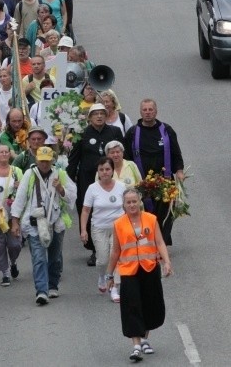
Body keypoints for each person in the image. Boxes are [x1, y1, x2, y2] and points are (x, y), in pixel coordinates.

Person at [105, 188, 172, 362]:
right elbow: (115, 252)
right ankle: (135, 346)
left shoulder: (151, 219)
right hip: (129, 271)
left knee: (150, 304)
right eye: (128, 202)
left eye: (135, 201)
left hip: (149, 268)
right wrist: (109, 275)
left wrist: (166, 262)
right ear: (123, 205)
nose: (132, 205)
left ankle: (144, 340)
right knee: (132, 305)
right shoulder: (118, 224)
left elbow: (159, 242)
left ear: (140, 202)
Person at [10, 146, 76, 305]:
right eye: (41, 161)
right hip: (34, 223)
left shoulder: (60, 174)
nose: (44, 164)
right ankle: (41, 290)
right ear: (37, 160)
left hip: (55, 223)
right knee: (38, 257)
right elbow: (20, 198)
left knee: (55, 257)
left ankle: (53, 285)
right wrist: (15, 221)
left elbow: (72, 197)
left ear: (52, 160)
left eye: (47, 161)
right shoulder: (29, 174)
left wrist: (60, 188)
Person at [68, 103, 124, 266]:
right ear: (89, 117)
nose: (99, 116)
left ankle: (116, 245)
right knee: (88, 211)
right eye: (95, 114)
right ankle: (94, 249)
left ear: (106, 116)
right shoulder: (81, 133)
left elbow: (121, 154)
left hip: (111, 179)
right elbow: (74, 160)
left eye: (102, 113)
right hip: (87, 180)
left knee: (113, 209)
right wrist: (70, 182)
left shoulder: (115, 132)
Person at [123, 99, 185, 246]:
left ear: (156, 111)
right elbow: (127, 158)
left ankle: (161, 241)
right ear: (140, 112)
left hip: (165, 180)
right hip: (143, 182)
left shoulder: (166, 130)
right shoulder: (133, 133)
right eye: (145, 110)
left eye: (151, 109)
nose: (148, 112)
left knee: (166, 213)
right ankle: (149, 242)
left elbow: (176, 153)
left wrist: (180, 171)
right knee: (147, 214)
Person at [81, 157, 126, 302]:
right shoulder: (92, 188)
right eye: (101, 170)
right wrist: (83, 230)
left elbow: (128, 207)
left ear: (112, 170)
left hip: (118, 229)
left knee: (116, 258)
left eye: (107, 169)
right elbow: (86, 210)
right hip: (99, 228)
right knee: (102, 260)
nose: (105, 172)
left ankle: (114, 288)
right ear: (98, 172)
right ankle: (102, 276)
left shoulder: (121, 186)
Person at [0, 145, 23, 287]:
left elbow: (24, 192)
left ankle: (13, 262)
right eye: (1, 152)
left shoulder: (16, 171)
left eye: (6, 152)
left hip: (12, 213)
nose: (3, 154)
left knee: (15, 245)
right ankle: (5, 273)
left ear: (9, 154)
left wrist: (19, 186)